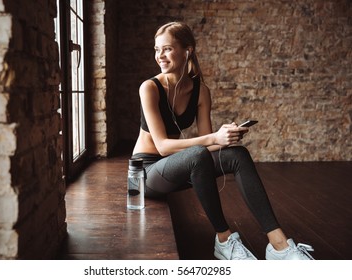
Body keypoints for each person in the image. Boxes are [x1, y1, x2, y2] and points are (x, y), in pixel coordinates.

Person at [131, 21, 314, 260]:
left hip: (178, 165)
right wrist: (212, 137)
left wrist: (227, 137)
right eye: (157, 50)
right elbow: (163, 147)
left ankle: (279, 245)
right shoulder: (150, 87)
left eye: (166, 49)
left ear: (188, 51)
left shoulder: (200, 91)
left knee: (237, 155)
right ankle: (224, 240)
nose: (160, 56)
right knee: (196, 154)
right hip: (145, 174)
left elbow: (211, 146)